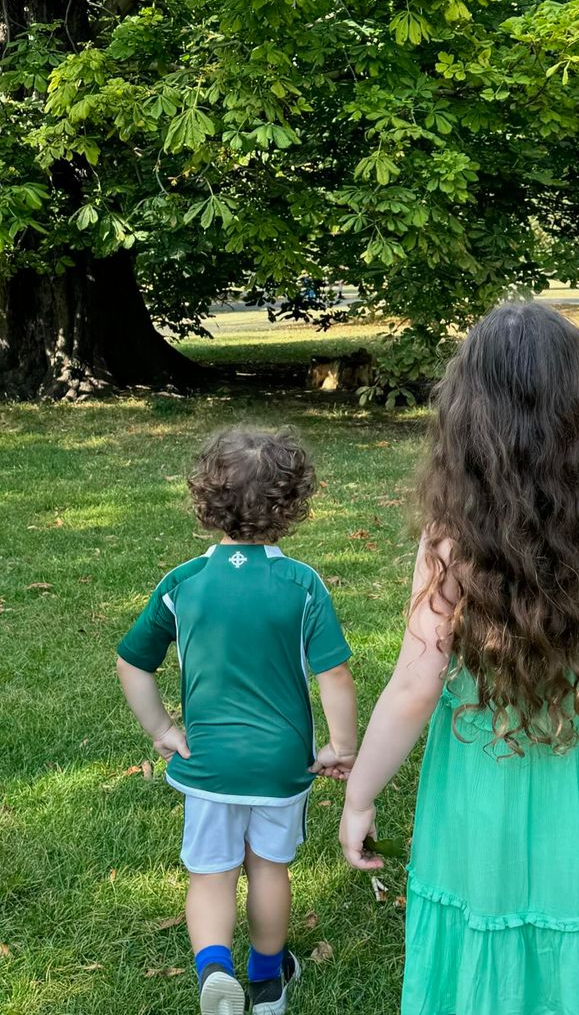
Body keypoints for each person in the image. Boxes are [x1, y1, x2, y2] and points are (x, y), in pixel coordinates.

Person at [339, 303, 579, 1015]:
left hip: (489, 753)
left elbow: (417, 680)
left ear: (465, 417)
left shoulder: (450, 532)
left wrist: (360, 795)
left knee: (498, 885)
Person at [117, 428, 357, 1015]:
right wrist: (341, 746)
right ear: (291, 506)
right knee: (269, 868)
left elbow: (131, 662)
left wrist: (162, 731)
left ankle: (214, 971)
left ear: (206, 502)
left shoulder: (184, 583)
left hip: (208, 762)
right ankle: (268, 983)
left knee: (211, 873)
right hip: (281, 764)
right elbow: (336, 678)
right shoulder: (301, 584)